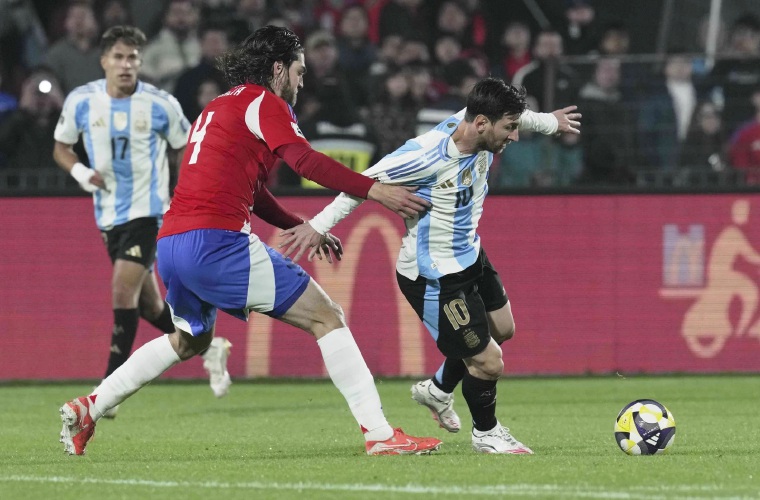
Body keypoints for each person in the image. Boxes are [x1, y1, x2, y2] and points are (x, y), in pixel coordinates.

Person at [58, 25, 440, 457]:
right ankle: (381, 435)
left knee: (189, 340)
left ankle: (90, 407)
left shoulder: (218, 106)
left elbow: (252, 191)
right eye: (298, 71)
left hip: (173, 243)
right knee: (326, 316)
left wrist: (298, 222)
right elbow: (305, 161)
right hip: (216, 242)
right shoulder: (265, 102)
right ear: (278, 69)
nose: (301, 81)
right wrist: (375, 190)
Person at [279, 77, 581, 454]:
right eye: (509, 128)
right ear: (481, 124)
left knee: (502, 329)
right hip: (435, 276)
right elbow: (360, 183)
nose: (515, 136)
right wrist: (318, 226)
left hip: (470, 254)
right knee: (489, 362)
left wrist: (550, 122)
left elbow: (524, 118)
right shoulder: (423, 156)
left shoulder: (479, 121)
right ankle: (486, 434)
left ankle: (437, 389)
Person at [52, 25, 233, 421]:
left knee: (122, 290)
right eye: (118, 57)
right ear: (104, 61)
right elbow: (61, 147)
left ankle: (107, 392)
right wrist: (81, 173)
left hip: (150, 212)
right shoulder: (82, 101)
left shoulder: (160, 104)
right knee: (150, 305)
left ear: (140, 62)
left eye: (132, 57)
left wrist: (184, 194)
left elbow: (188, 147)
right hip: (108, 215)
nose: (126, 64)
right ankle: (208, 345)